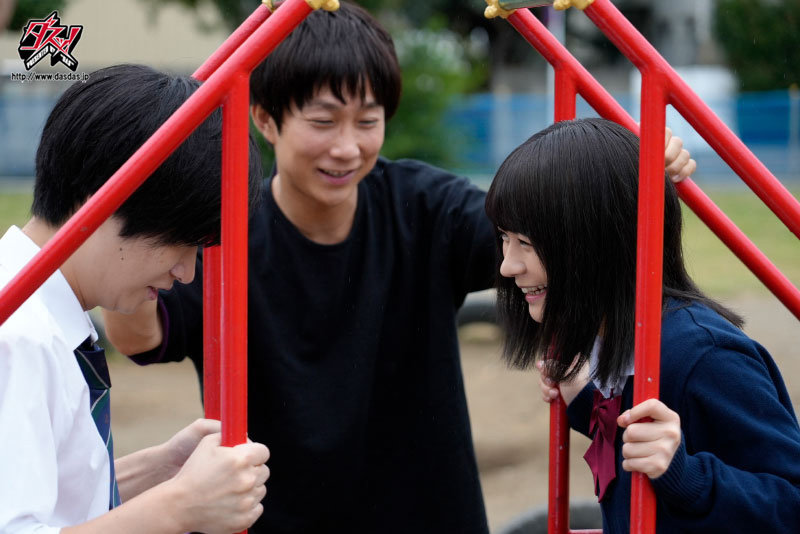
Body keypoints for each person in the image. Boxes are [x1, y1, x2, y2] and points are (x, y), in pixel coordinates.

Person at [102, 4, 696, 533]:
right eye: (323, 121)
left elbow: (543, 236)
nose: (347, 147)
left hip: (428, 513)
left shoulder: (422, 206)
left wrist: (629, 171)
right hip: (276, 515)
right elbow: (140, 338)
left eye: (367, 121)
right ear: (264, 119)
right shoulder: (227, 231)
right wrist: (136, 223)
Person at [486, 117, 800, 532]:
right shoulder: (613, 338)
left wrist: (687, 475)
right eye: (504, 238)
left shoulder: (706, 357)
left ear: (597, 240)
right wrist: (582, 396)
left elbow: (790, 503)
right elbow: (634, 444)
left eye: (526, 242)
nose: (508, 265)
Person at [0, 64, 271, 534]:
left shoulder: (39, 316)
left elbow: (45, 498)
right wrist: (179, 506)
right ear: (102, 200)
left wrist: (162, 469)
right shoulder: (19, 336)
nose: (186, 272)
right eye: (180, 241)